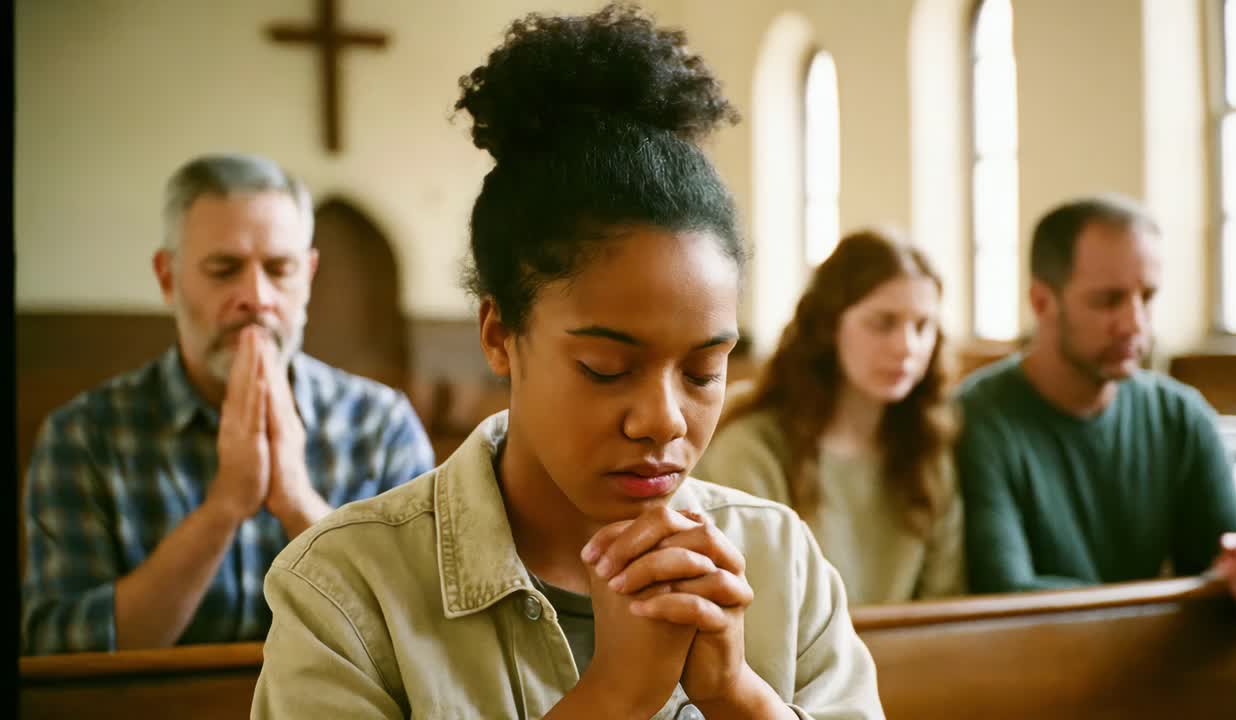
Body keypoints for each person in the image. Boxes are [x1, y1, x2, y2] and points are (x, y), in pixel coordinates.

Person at [251, 5, 884, 718]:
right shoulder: (346, 589)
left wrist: (739, 696)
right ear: (498, 333)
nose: (664, 420)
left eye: (705, 372)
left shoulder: (777, 559)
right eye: (606, 368)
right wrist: (613, 696)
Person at [21, 153, 436, 655]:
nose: (256, 297)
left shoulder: (381, 425)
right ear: (168, 277)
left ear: (307, 276)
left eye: (280, 270)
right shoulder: (82, 437)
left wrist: (298, 503)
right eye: (224, 270)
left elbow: (425, 625)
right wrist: (222, 509)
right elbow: (59, 649)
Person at [956, 193, 1236, 626]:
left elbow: (1230, 548)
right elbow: (1006, 593)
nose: (1135, 323)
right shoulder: (976, 419)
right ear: (1041, 302)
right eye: (1108, 301)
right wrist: (1187, 598)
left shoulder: (1180, 414)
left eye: (1146, 297)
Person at [695, 230, 963, 605]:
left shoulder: (927, 452)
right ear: (828, 326)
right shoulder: (752, 450)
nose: (908, 346)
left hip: (913, 660)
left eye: (923, 326)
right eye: (883, 323)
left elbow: (947, 606)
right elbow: (761, 617)